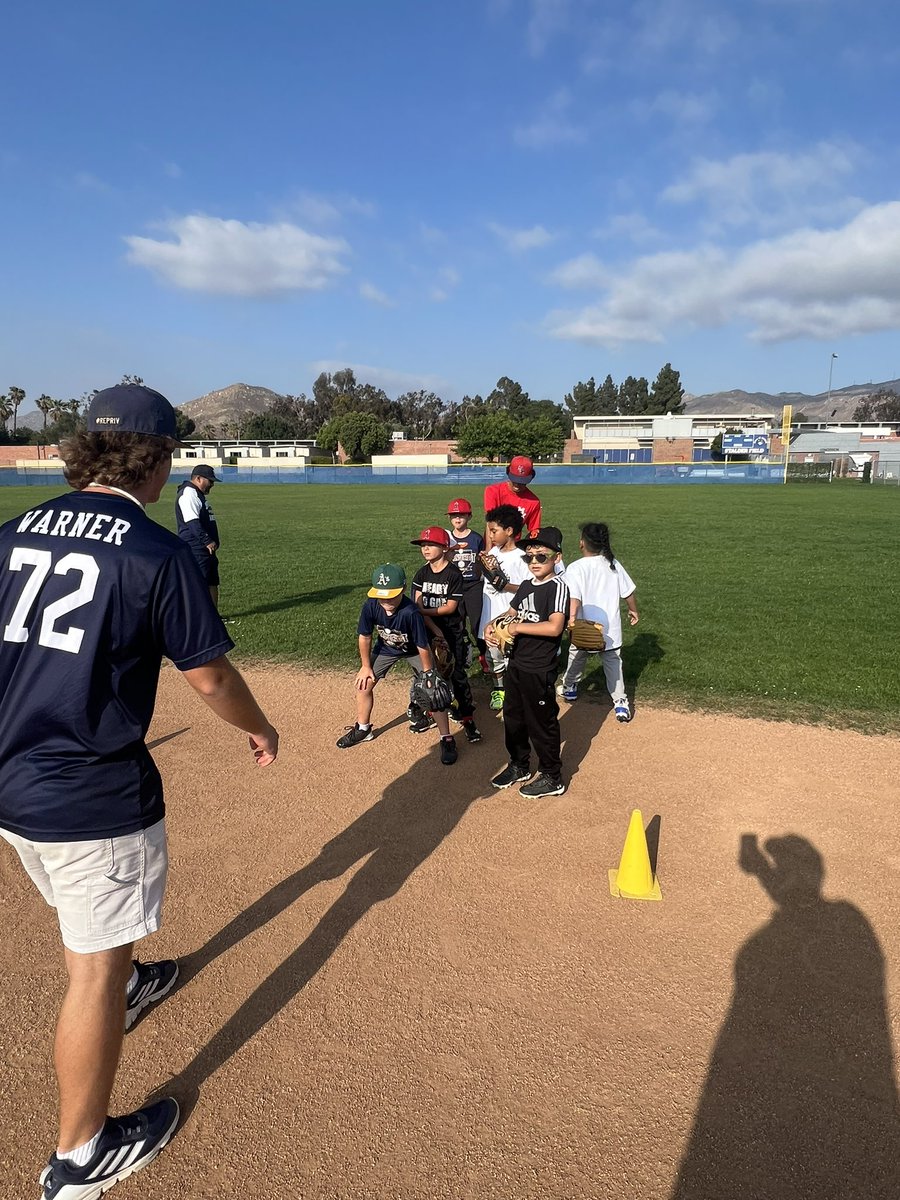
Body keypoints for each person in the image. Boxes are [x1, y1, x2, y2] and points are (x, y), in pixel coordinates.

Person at [0, 383, 279, 1200]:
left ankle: (127, 980)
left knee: (90, 933)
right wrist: (259, 728)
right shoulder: (157, 552)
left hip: (14, 788)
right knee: (88, 971)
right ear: (154, 459)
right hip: (93, 798)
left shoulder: (11, 533)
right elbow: (210, 677)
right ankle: (80, 1153)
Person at [336, 563, 458, 765]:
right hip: (386, 649)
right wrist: (366, 666)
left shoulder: (410, 612)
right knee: (364, 684)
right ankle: (363, 729)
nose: (386, 600)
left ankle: (446, 738)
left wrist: (428, 675)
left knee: (433, 692)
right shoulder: (371, 605)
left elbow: (422, 646)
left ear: (402, 589)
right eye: (381, 595)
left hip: (413, 650)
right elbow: (364, 637)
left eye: (391, 595)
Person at [487, 527, 569, 798]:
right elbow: (511, 613)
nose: (534, 562)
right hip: (518, 663)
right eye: (529, 557)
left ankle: (551, 775)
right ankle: (520, 764)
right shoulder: (525, 586)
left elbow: (555, 627)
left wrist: (518, 628)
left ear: (557, 558)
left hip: (539, 667)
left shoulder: (557, 587)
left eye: (541, 557)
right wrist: (494, 624)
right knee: (513, 718)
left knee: (541, 722)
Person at [557, 521, 638, 722]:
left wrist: (572, 620)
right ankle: (620, 703)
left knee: (577, 656)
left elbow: (574, 598)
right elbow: (628, 592)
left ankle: (569, 688)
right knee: (612, 663)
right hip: (610, 629)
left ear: (582, 543)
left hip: (585, 627)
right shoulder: (613, 563)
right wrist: (633, 610)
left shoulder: (576, 567)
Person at [410, 526, 480, 745]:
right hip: (430, 633)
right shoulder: (422, 573)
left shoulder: (454, 574)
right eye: (423, 545)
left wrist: (424, 613)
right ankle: (431, 711)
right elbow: (417, 601)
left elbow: (450, 607)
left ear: (444, 547)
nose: (426, 549)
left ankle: (468, 718)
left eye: (430, 545)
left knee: (457, 676)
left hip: (452, 633)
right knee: (429, 676)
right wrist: (433, 627)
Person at [477, 505, 530, 712]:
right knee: (494, 656)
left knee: (511, 655)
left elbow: (529, 588)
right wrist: (480, 564)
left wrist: (504, 585)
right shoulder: (491, 553)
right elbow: (484, 580)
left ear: (509, 531)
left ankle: (516, 691)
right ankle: (499, 689)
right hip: (489, 614)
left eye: (494, 531)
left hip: (510, 616)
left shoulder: (522, 557)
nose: (490, 535)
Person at [443, 498, 486, 670]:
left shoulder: (476, 538)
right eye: (454, 515)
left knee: (477, 624)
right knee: (456, 624)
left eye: (461, 515)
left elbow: (483, 559)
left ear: (469, 516)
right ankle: (460, 653)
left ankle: (484, 654)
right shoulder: (447, 538)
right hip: (455, 587)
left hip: (474, 585)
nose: (457, 519)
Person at [176, 463, 222, 607]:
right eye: (210, 481)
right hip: (197, 547)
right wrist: (207, 540)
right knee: (200, 582)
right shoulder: (189, 493)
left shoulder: (197, 494)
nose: (212, 484)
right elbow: (192, 522)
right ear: (199, 478)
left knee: (211, 580)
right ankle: (201, 616)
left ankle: (213, 616)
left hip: (205, 548)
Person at [483, 455, 542, 541]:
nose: (517, 485)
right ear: (508, 472)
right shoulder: (493, 491)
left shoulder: (533, 501)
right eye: (514, 480)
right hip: (493, 543)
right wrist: (488, 550)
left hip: (513, 546)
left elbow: (534, 531)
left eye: (522, 482)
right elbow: (490, 524)